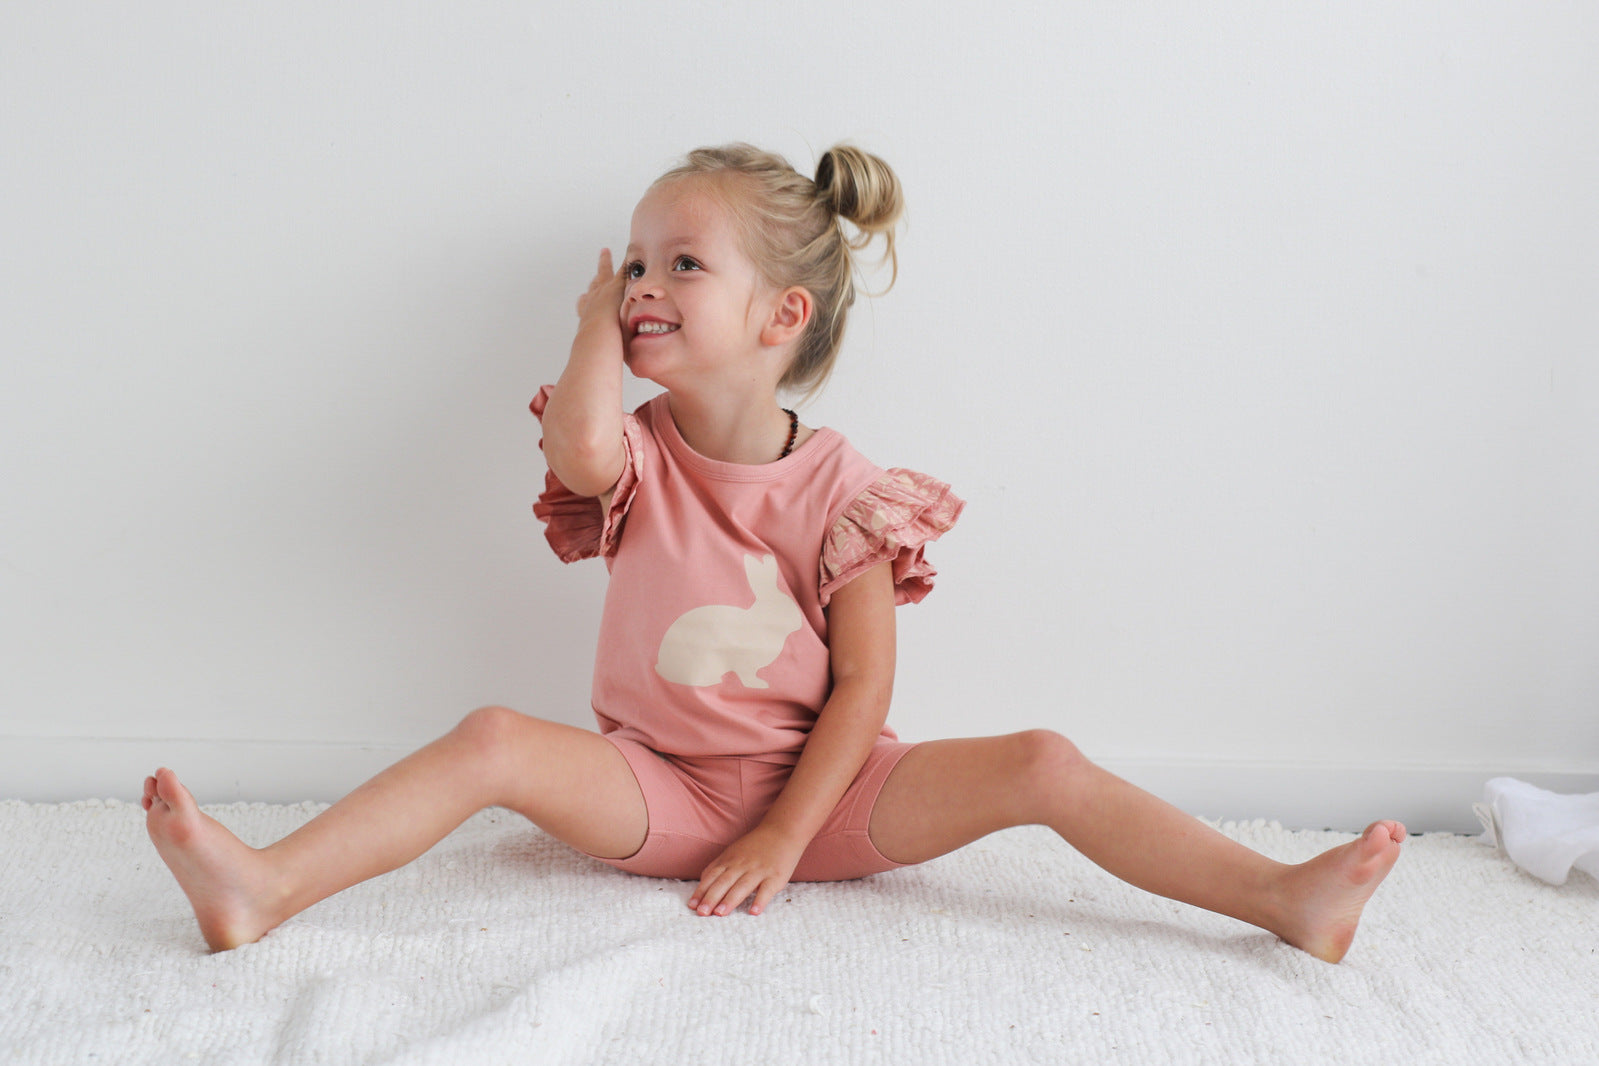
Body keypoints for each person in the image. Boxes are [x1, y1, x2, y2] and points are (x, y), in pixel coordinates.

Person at [142, 142, 1405, 963]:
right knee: (489, 737)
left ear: (778, 316)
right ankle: (264, 885)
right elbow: (577, 444)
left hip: (832, 789)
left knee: (1043, 760)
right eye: (635, 263)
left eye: (679, 264)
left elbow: (865, 690)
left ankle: (1280, 898)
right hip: (657, 782)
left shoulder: (847, 490)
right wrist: (592, 316)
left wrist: (789, 838)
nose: (644, 283)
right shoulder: (635, 450)